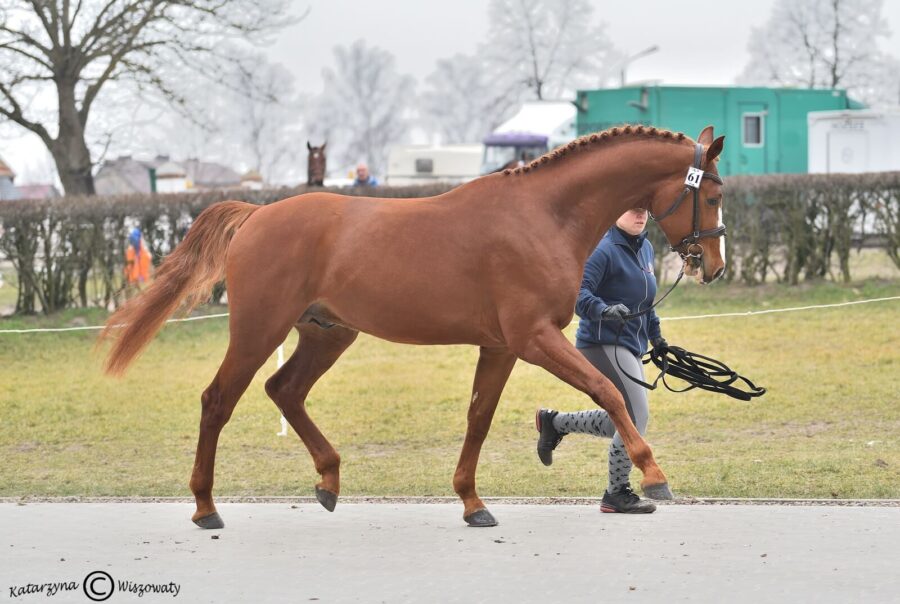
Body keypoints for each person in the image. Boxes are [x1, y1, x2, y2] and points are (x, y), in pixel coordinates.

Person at [536, 207, 667, 514]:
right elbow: (578, 294)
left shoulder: (645, 247)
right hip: (601, 343)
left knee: (619, 421)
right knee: (634, 418)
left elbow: (645, 304)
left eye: (644, 210)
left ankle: (555, 422)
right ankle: (616, 493)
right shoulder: (603, 248)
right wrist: (603, 311)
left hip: (631, 345)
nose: (640, 215)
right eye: (633, 209)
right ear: (617, 209)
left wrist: (658, 338)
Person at [124, 227, 153, 297]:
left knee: (145, 299)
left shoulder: (145, 253)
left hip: (143, 281)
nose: (134, 241)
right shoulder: (130, 252)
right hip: (133, 282)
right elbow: (128, 267)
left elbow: (148, 267)